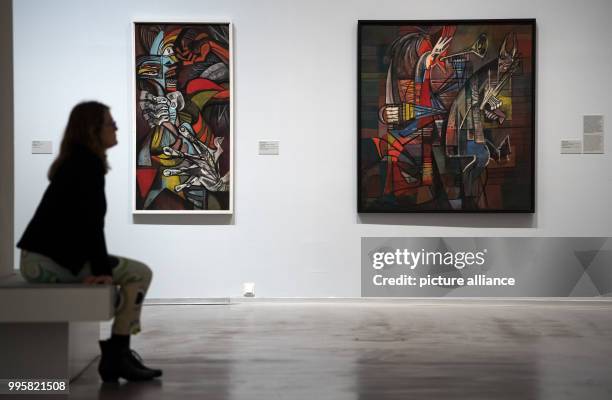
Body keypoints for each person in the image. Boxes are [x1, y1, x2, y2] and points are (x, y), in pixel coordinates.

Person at [17, 101, 162, 383]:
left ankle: (117, 355)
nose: (116, 127)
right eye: (110, 123)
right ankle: (117, 355)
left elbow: (86, 225)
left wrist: (100, 267)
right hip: (46, 262)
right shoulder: (86, 165)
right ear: (93, 130)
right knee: (140, 272)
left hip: (41, 258)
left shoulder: (79, 162)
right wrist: (102, 271)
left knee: (135, 271)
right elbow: (90, 225)